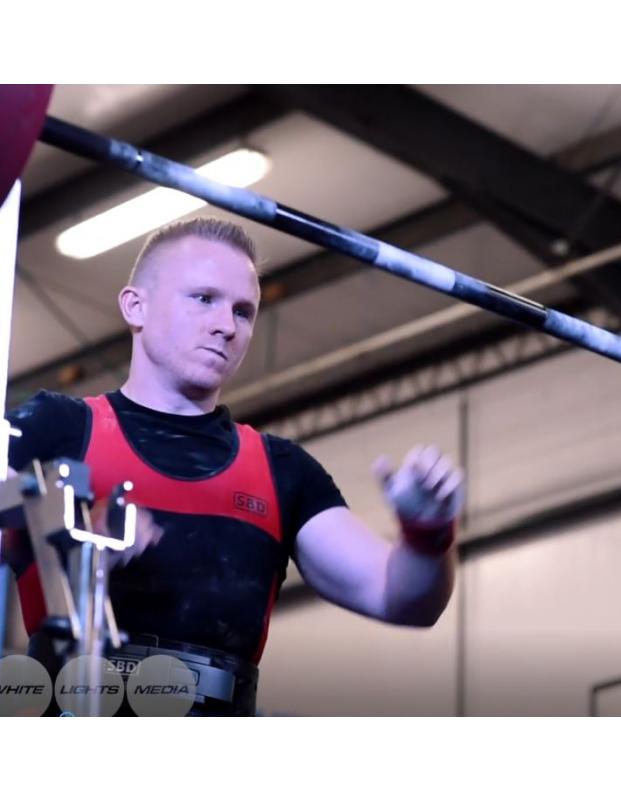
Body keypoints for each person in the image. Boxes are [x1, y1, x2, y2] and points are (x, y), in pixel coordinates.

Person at [1, 217, 464, 715]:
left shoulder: (283, 472)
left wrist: (427, 532)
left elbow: (401, 598)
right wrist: (63, 544)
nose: (226, 326)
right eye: (203, 298)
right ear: (135, 306)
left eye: (243, 311)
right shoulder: (53, 429)